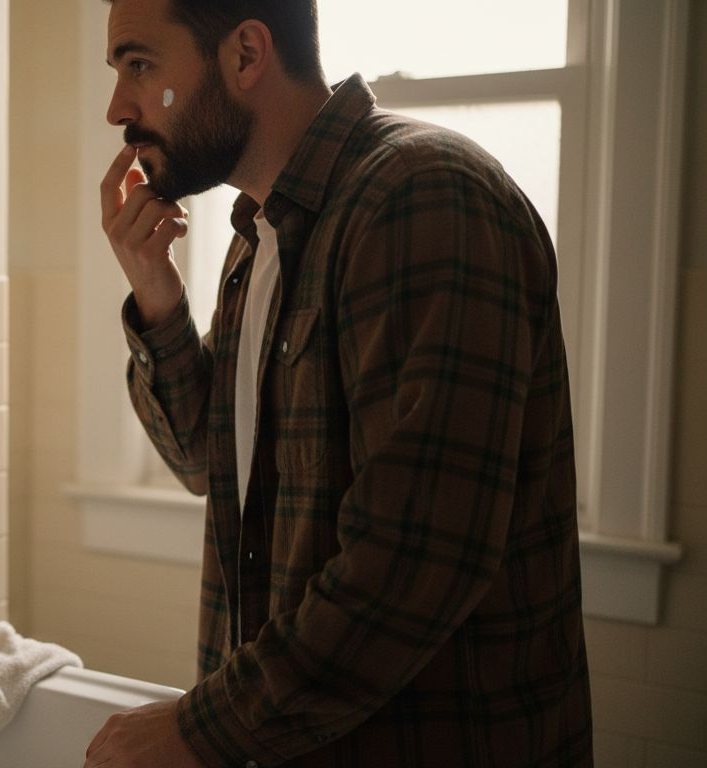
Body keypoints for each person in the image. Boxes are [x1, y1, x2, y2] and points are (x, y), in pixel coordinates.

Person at [87, 0, 592, 765]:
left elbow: (415, 562)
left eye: (139, 65)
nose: (117, 107)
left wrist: (202, 730)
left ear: (247, 54)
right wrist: (155, 293)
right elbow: (203, 461)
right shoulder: (261, 236)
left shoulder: (423, 197)